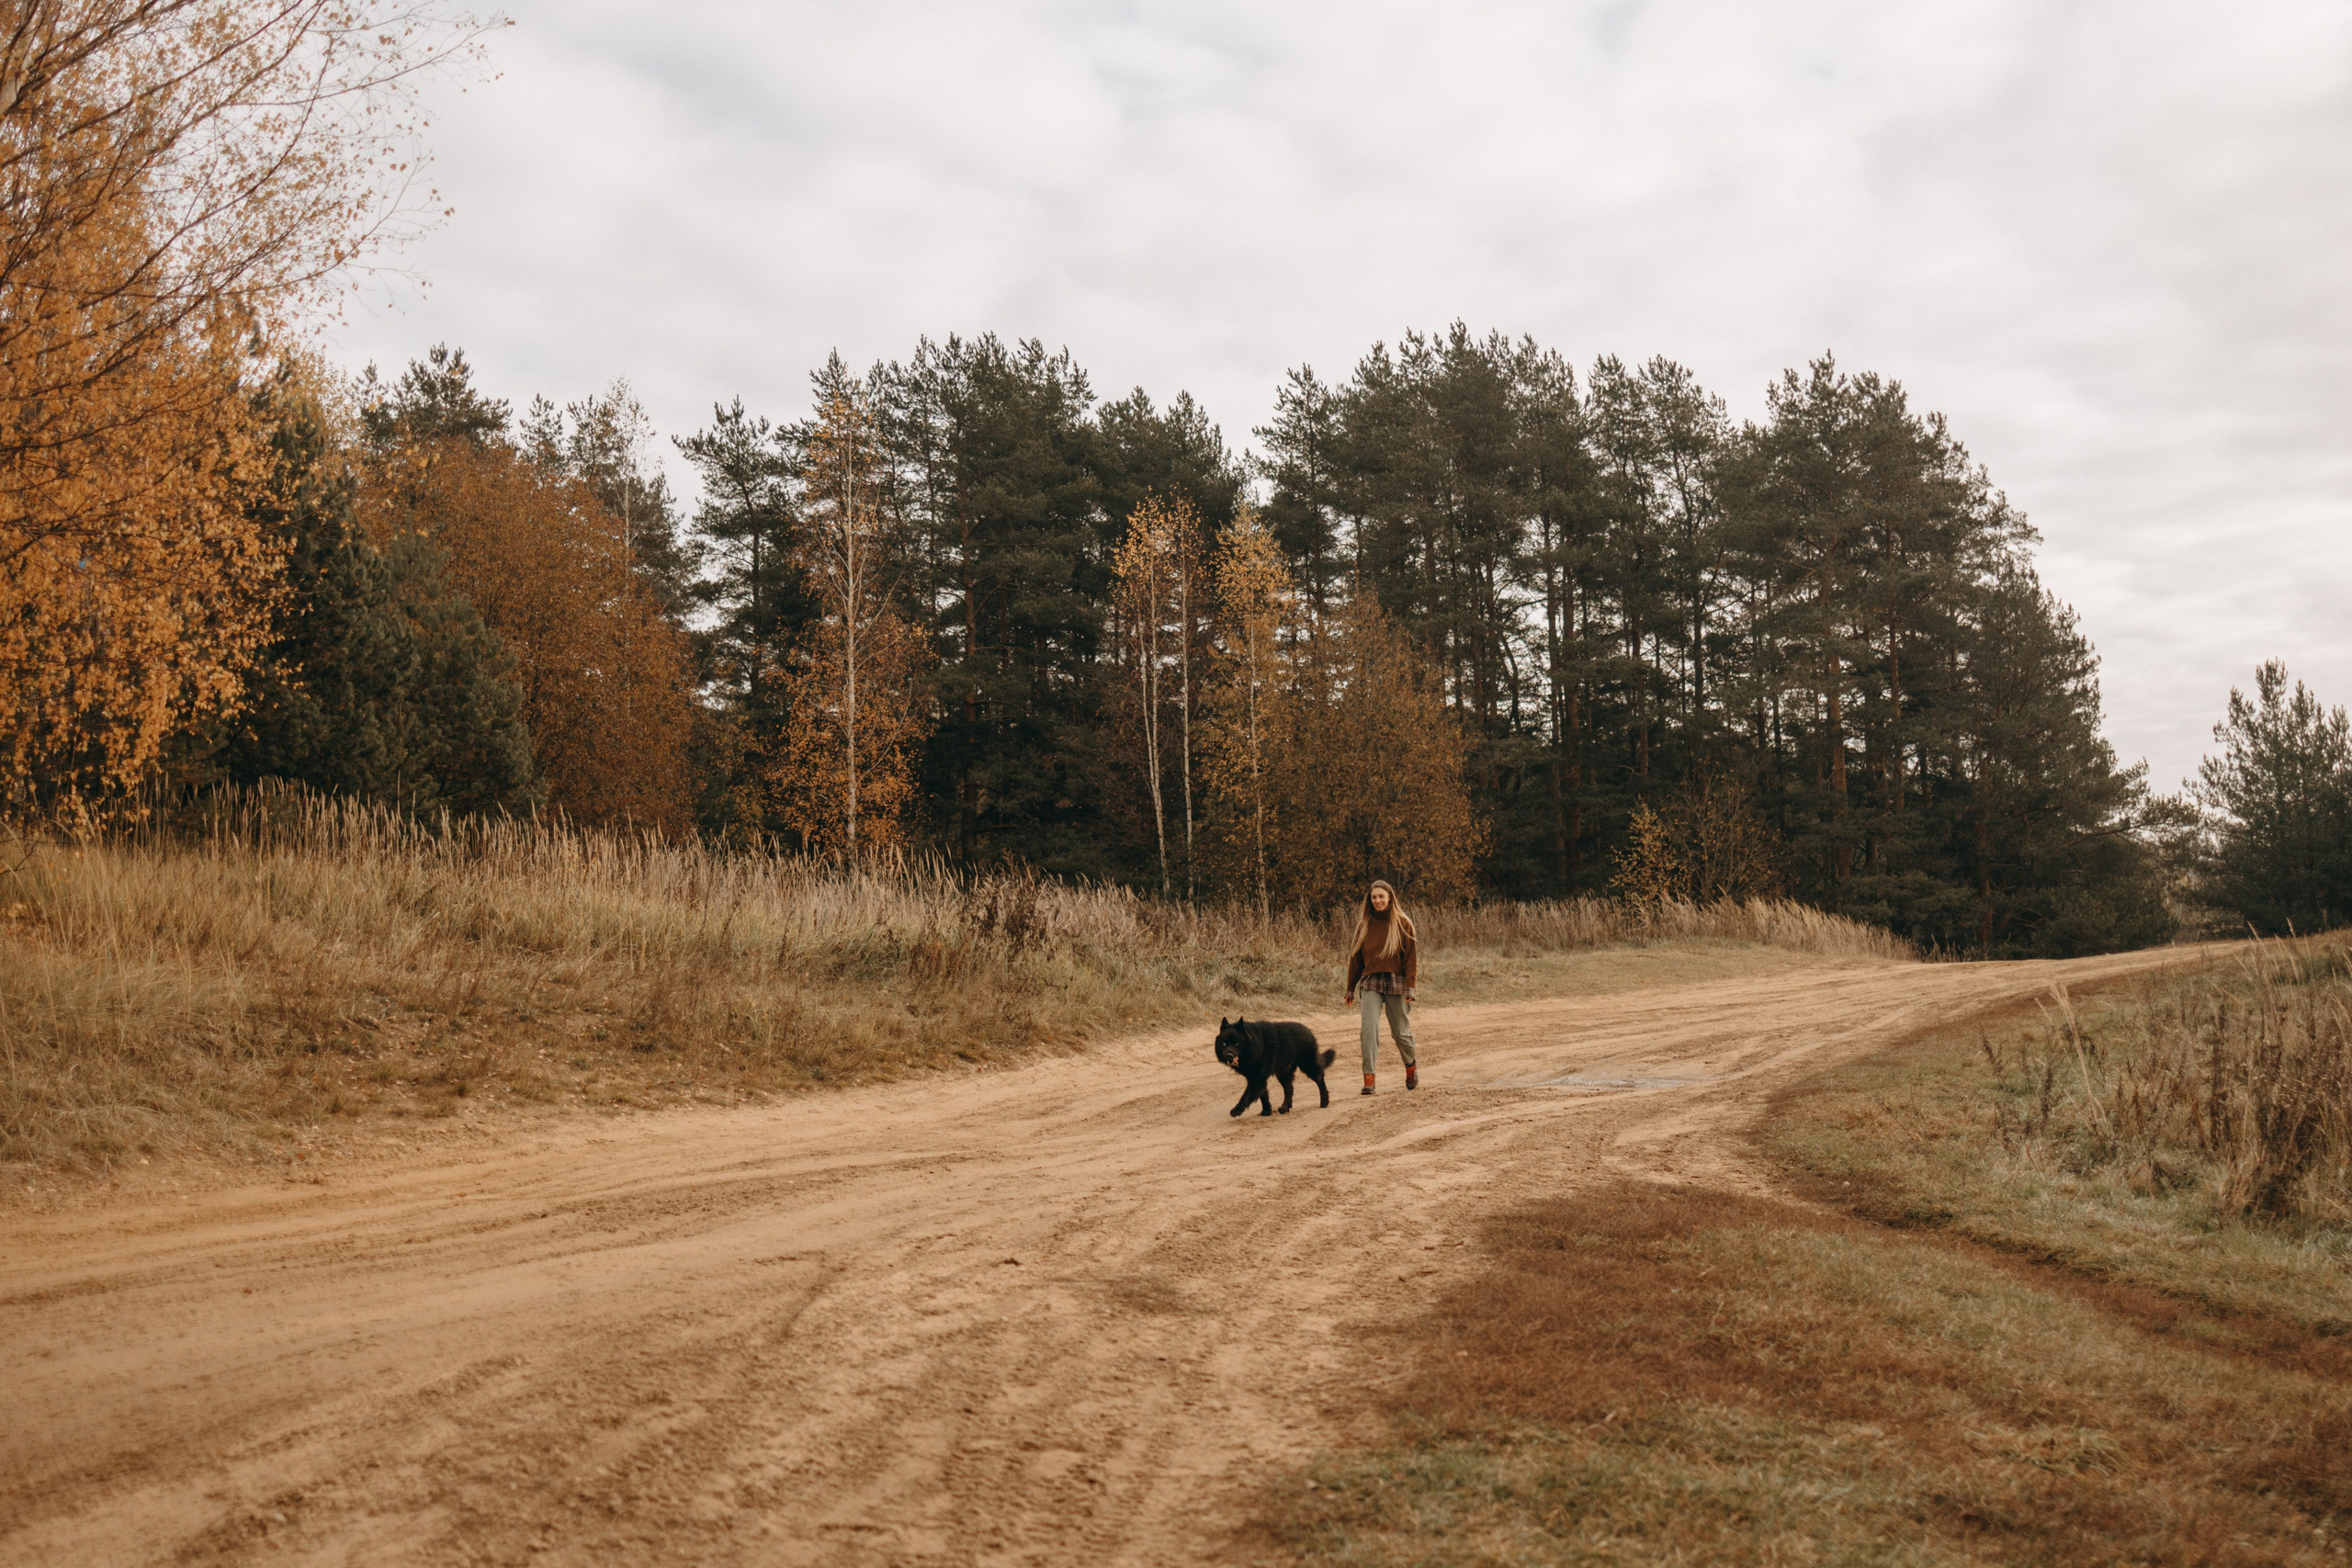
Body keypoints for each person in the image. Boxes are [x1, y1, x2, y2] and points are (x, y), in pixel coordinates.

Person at [1343, 879, 1419, 1095]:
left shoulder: (1403, 924)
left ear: (1390, 898)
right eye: (1374, 897)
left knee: (1400, 1033)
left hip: (1396, 984)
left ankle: (1410, 1065)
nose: (1377, 900)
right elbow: (1355, 959)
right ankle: (1369, 1078)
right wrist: (1350, 988)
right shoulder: (1364, 926)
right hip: (1371, 984)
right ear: (1370, 900)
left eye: (1381, 897)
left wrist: (1410, 987)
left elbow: (1411, 959)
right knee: (1369, 1029)